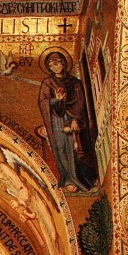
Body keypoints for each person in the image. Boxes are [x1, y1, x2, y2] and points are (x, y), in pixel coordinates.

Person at [38, 51, 97, 192]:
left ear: (63, 63)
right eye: (51, 66)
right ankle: (68, 178)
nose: (54, 67)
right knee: (61, 149)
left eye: (56, 64)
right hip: (56, 121)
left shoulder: (75, 83)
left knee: (75, 148)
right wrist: (56, 100)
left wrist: (76, 119)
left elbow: (80, 103)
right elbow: (42, 101)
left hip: (73, 119)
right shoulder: (47, 82)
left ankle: (82, 178)